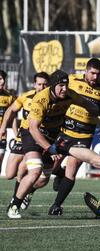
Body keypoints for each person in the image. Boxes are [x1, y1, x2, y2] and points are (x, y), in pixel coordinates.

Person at [7, 69, 99, 219]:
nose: (64, 89)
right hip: (31, 134)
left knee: (43, 179)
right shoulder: (41, 100)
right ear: (53, 86)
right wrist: (50, 148)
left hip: (51, 136)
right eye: (61, 86)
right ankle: (14, 206)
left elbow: (88, 105)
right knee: (35, 170)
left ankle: (25, 192)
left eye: (66, 85)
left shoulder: (69, 94)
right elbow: (33, 128)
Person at [48, 58, 100, 215]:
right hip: (65, 130)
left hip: (84, 135)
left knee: (72, 169)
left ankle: (56, 205)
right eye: (92, 73)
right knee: (51, 165)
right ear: (85, 71)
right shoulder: (72, 80)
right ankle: (58, 173)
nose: (95, 77)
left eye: (98, 74)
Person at [0, 72, 49, 210]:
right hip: (22, 137)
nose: (42, 87)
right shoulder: (26, 97)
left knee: (23, 169)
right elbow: (10, 110)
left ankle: (17, 199)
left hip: (36, 139)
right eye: (39, 84)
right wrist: (3, 127)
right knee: (10, 174)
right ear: (34, 84)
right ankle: (24, 190)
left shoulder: (51, 100)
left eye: (45, 84)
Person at [0, 70, 16, 171]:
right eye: (0, 79)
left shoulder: (9, 97)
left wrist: (16, 134)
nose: (2, 82)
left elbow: (13, 117)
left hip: (2, 134)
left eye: (3, 79)